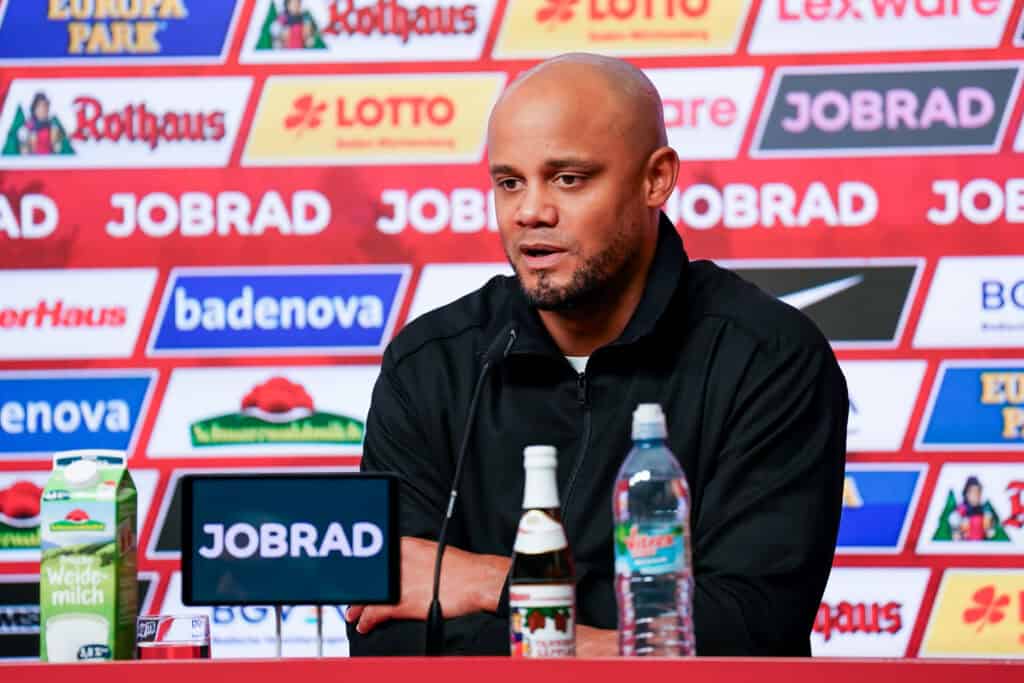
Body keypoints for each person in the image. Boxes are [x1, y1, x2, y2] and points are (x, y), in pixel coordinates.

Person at [345, 53, 848, 656]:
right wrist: (617, 638)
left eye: (568, 178)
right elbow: (387, 631)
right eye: (509, 182)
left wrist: (490, 582)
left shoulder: (767, 358)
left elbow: (747, 628)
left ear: (655, 179)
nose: (531, 211)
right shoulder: (430, 363)